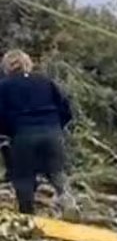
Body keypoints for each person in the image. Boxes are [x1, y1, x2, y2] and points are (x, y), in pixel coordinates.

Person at [0, 50, 76, 215]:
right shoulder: (45, 81)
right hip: (52, 132)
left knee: (23, 177)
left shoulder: (4, 86)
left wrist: (7, 134)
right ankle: (68, 201)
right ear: (27, 63)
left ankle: (28, 215)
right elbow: (66, 108)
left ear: (6, 67)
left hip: (23, 135)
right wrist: (56, 126)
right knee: (56, 171)